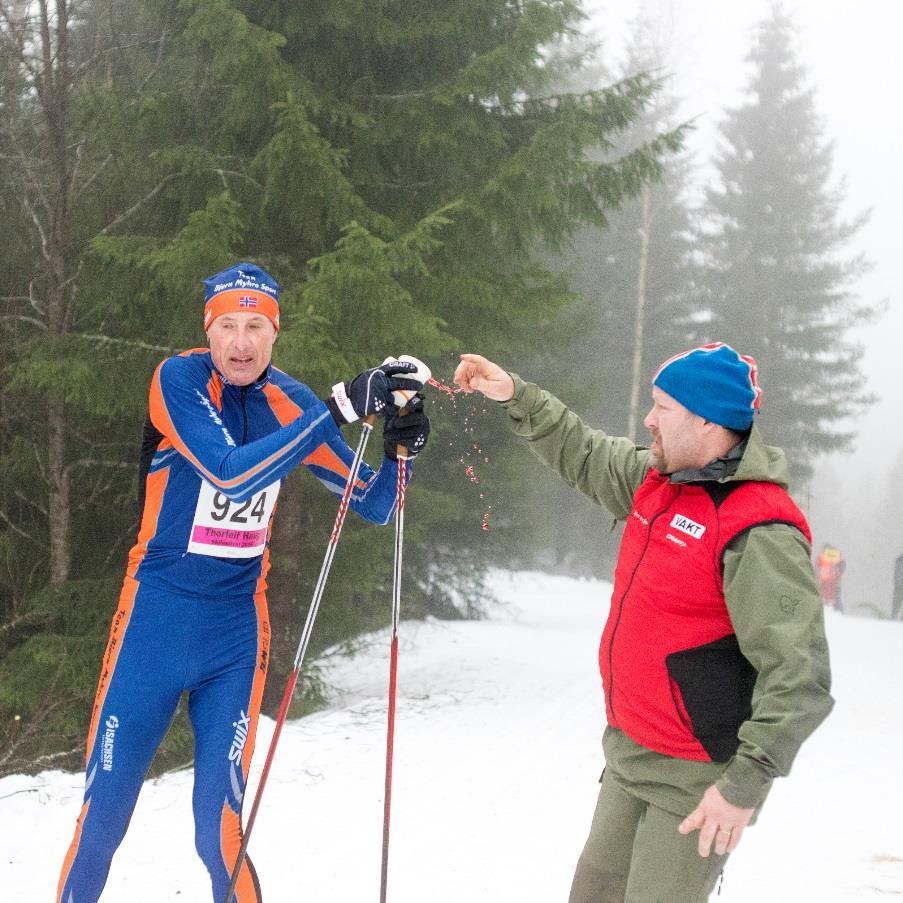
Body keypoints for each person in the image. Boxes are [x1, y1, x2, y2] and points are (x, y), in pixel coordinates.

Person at [56, 263, 431, 903]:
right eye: (228, 325)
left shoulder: (293, 403)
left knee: (221, 830)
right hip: (153, 622)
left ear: (274, 334)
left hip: (233, 637)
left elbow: (371, 504)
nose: (240, 342)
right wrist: (341, 407)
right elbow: (230, 475)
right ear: (209, 329)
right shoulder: (178, 381)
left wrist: (402, 453)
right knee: (104, 818)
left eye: (256, 326)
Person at [454, 343, 833, 903]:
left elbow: (799, 677)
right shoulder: (658, 480)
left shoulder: (757, 528)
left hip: (697, 782)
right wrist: (515, 393)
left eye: (663, 407)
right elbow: (583, 451)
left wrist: (743, 785)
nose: (648, 419)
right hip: (629, 752)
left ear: (707, 420)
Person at [815, 543, 846, 613]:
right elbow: (843, 564)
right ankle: (839, 613)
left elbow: (817, 567)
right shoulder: (837, 555)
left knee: (823, 597)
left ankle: (823, 612)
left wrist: (817, 577)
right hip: (834, 580)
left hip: (824, 580)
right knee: (836, 598)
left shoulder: (822, 556)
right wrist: (838, 573)